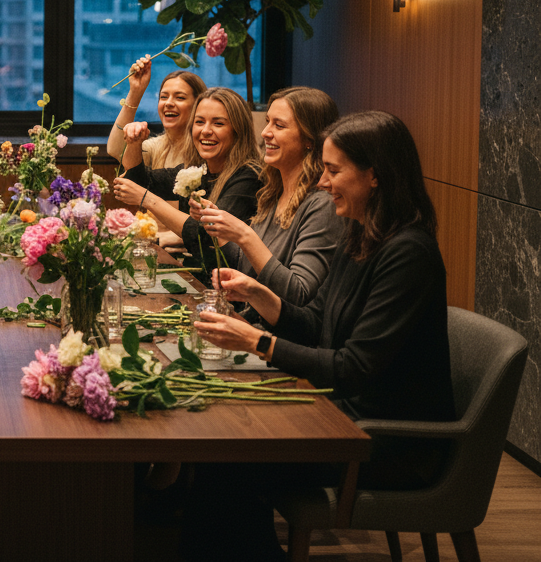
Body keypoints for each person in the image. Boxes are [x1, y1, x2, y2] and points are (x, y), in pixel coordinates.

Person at [184, 111, 455, 561]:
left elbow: (353, 368)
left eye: (333, 171)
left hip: (384, 441)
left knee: (226, 465)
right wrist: (260, 296)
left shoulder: (409, 253)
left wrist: (257, 342)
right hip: (340, 415)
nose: (323, 182)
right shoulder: (360, 234)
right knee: (219, 453)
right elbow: (318, 326)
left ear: (374, 176)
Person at [188, 87, 345, 305]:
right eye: (268, 121)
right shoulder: (273, 192)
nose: (265, 132)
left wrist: (244, 235)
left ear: (310, 138)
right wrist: (218, 225)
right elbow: (248, 266)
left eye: (278, 125)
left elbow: (299, 293)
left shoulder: (323, 204)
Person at [112, 87, 263, 272]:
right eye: (200, 122)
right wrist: (134, 142)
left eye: (218, 123)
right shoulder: (198, 170)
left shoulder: (249, 176)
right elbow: (139, 181)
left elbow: (206, 236)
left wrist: (147, 199)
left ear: (238, 130)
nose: (206, 131)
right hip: (203, 280)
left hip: (235, 293)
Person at [106, 56, 207, 170]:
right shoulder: (156, 147)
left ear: (198, 104)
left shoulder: (207, 146)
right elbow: (115, 150)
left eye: (179, 97)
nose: (168, 103)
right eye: (163, 97)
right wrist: (136, 91)